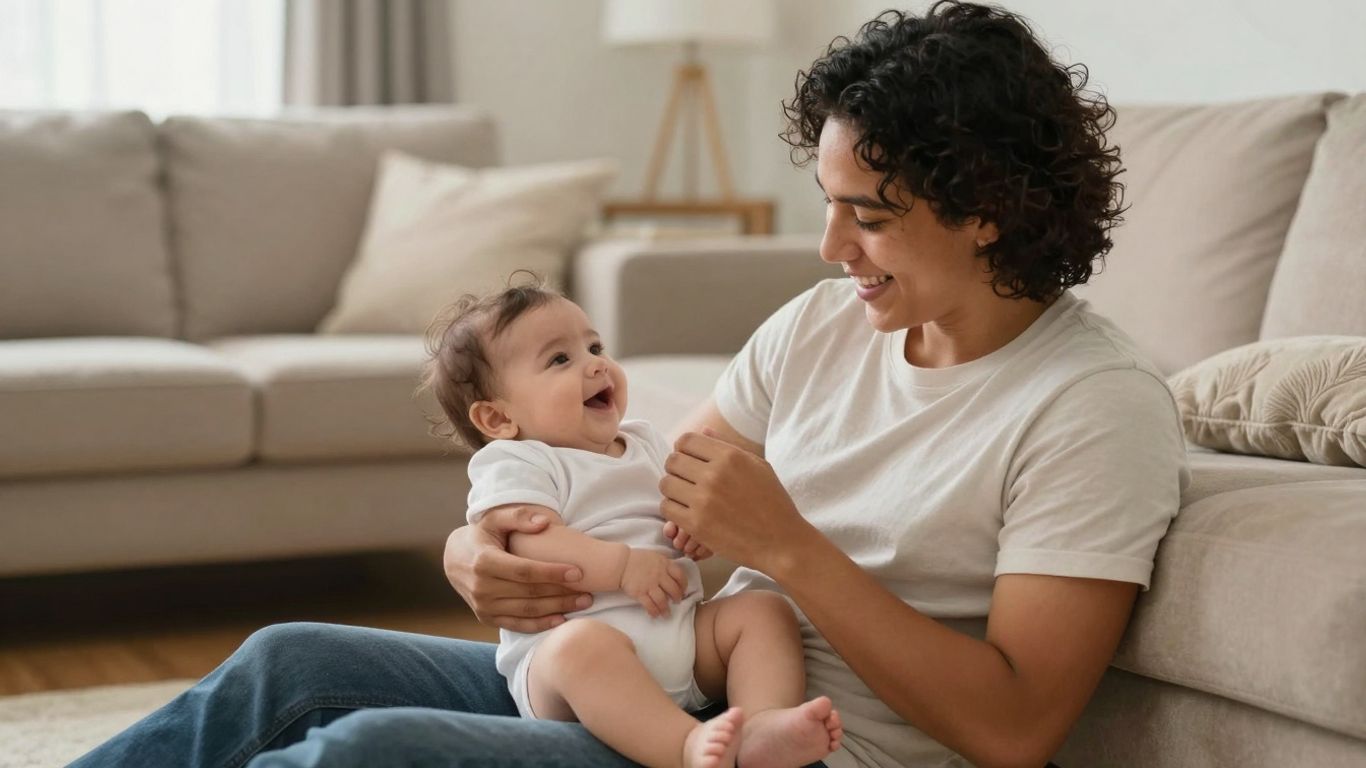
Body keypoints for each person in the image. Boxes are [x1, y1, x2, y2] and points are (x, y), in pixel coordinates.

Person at [70, 3, 1188, 766]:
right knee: (288, 660)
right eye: (828, 201)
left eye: (871, 216)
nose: (829, 249)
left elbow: (1016, 727)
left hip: (793, 743)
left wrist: (792, 548)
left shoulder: (1090, 406)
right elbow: (633, 495)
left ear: (987, 208)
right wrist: (484, 553)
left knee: (369, 754)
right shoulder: (823, 326)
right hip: (670, 682)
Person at [423, 282, 843, 768]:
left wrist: (695, 527)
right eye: (560, 360)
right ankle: (684, 747)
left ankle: (762, 723)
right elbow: (528, 539)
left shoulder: (644, 442)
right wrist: (621, 567)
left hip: (682, 639)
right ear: (498, 417)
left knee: (762, 611)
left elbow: (682, 505)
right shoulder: (518, 461)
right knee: (583, 648)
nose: (596, 363)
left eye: (594, 347)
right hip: (573, 668)